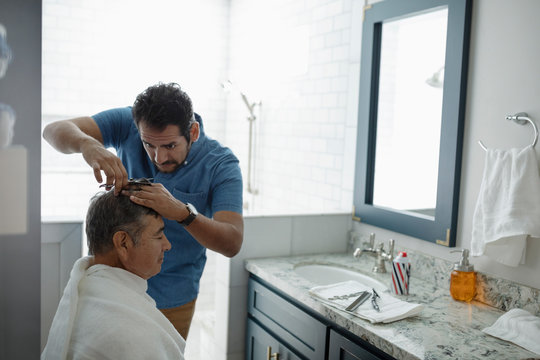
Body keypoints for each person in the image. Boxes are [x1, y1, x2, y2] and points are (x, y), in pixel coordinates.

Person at [43, 82, 244, 339]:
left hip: (173, 298)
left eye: (170, 146)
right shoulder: (128, 123)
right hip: (113, 286)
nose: (158, 157)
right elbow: (52, 131)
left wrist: (183, 213)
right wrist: (88, 145)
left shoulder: (221, 165)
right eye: (149, 145)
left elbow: (232, 242)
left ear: (193, 132)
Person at [41, 190, 185, 360]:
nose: (167, 245)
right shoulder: (130, 335)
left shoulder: (86, 291)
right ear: (123, 243)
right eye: (159, 235)